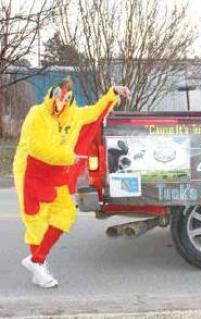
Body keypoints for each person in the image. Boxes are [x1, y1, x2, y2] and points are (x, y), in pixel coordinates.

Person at [13, 77, 130, 288]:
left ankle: (35, 261)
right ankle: (38, 267)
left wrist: (113, 92)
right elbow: (38, 148)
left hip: (55, 173)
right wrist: (68, 156)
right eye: (57, 96)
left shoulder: (75, 115)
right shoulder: (36, 114)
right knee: (35, 219)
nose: (60, 102)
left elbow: (95, 111)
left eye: (65, 98)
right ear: (50, 95)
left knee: (66, 211)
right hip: (30, 171)